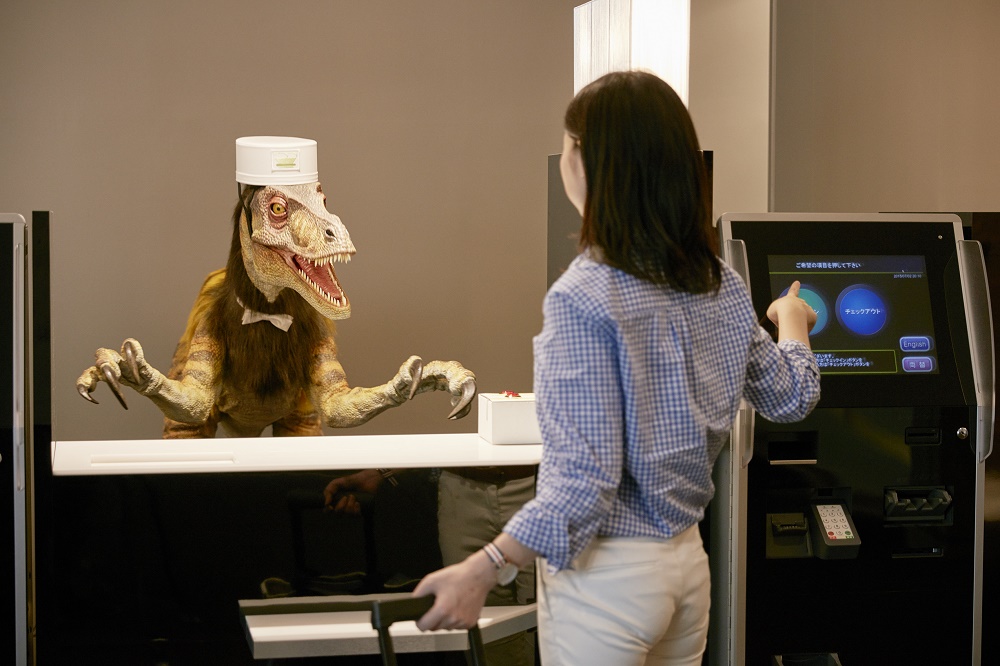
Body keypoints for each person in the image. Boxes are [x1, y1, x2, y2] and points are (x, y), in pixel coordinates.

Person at [411, 70, 821, 666]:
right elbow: (790, 397)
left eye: (567, 145)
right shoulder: (722, 286)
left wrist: (485, 567)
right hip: (687, 571)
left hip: (608, 579)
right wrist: (792, 321)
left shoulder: (584, 296)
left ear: (588, 163)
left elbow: (583, 482)